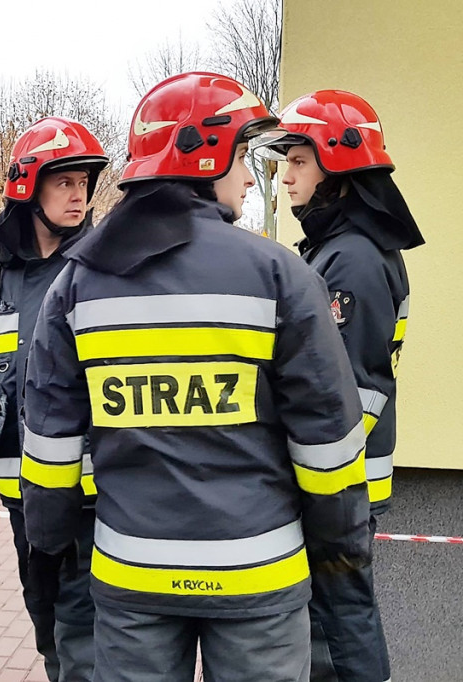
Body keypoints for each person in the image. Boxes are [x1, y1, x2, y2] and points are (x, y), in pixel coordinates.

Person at [21, 72, 379, 682]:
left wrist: (51, 549)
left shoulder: (76, 283)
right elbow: (326, 443)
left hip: (131, 576)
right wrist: (340, 548)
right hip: (258, 576)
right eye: (243, 156)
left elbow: (50, 450)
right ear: (204, 154)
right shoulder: (279, 274)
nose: (249, 176)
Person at [254, 89, 424, 682]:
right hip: (341, 476)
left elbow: (347, 391)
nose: (286, 176)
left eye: (299, 161)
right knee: (337, 618)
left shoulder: (349, 260)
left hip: (339, 482)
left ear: (339, 165)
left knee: (336, 628)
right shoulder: (342, 248)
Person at [0, 117, 108, 682]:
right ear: (28, 187)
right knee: (45, 617)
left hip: (92, 494)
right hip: (23, 494)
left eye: (84, 180)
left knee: (83, 628)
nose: (79, 192)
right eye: (64, 180)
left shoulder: (101, 268)